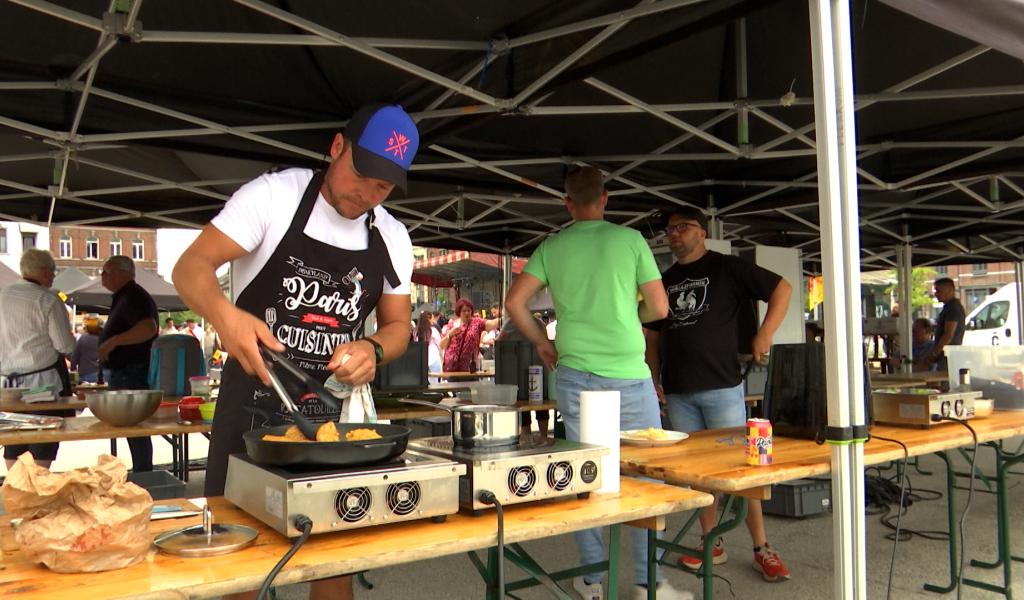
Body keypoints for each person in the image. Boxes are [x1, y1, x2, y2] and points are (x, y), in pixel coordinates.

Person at [173, 103, 419, 600]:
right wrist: (227, 316)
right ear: (336, 147)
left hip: (331, 418)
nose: (366, 194)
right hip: (251, 408)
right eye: (361, 174)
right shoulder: (274, 197)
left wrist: (373, 348)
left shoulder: (391, 236)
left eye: (383, 187)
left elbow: (399, 327)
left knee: (331, 559)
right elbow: (190, 268)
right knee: (239, 563)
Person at [505, 166, 689, 600]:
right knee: (647, 478)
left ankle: (591, 581)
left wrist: (542, 344)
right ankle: (649, 585)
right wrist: (629, 314)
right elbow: (661, 308)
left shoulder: (552, 246)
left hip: (574, 373)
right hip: (628, 370)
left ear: (567, 203)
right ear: (605, 198)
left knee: (586, 473)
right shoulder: (630, 241)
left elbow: (515, 303)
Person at [644, 207, 793, 583]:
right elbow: (655, 335)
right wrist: (653, 376)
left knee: (744, 471)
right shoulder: (665, 279)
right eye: (669, 230)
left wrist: (766, 333)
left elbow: (783, 288)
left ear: (702, 231)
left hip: (724, 387)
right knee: (699, 476)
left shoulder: (728, 267)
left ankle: (762, 547)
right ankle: (711, 542)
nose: (674, 234)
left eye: (682, 227)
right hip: (679, 392)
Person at [0, 249, 76, 469]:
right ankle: (37, 497)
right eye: (53, 271)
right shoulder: (48, 300)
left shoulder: (2, 295)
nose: (53, 277)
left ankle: (18, 495)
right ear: (44, 272)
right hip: (42, 387)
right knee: (42, 443)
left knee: (14, 443)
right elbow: (65, 345)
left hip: (7, 388)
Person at [98, 255, 159, 473]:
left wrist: (114, 340)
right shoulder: (125, 296)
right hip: (125, 372)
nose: (102, 277)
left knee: (135, 430)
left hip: (131, 372)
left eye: (106, 272)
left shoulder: (133, 296)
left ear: (123, 273)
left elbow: (148, 327)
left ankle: (144, 474)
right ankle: (142, 471)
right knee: (133, 431)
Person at [439, 298, 499, 372]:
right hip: (452, 367)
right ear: (459, 312)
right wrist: (450, 334)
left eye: (469, 310)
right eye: (464, 311)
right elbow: (442, 345)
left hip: (470, 367)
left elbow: (492, 323)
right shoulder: (451, 325)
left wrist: (507, 316)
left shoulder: (477, 322)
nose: (467, 313)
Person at [926, 277, 965, 370]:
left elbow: (948, 334)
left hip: (948, 355)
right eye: (935, 291)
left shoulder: (953, 308)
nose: (936, 294)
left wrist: (935, 353)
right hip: (947, 354)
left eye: (939, 290)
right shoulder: (949, 307)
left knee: (945, 382)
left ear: (950, 290)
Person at [71, 319, 101, 383]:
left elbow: (75, 357)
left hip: (86, 374)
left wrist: (73, 368)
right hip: (104, 374)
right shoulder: (104, 337)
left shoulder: (83, 338)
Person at [415, 310, 442, 375]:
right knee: (436, 383)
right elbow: (440, 345)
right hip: (434, 359)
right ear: (428, 319)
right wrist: (442, 358)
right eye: (432, 318)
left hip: (422, 360)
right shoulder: (433, 330)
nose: (433, 321)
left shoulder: (416, 332)